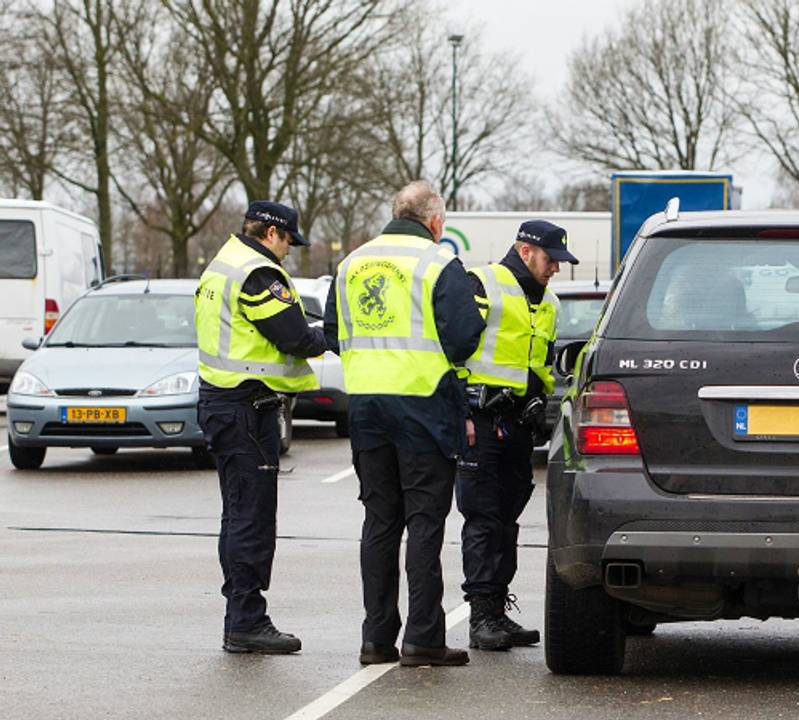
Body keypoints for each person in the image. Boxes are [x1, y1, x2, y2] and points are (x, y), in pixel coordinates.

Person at [324, 181, 484, 667]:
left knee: (379, 522)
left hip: (368, 408)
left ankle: (376, 639)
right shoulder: (437, 263)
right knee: (425, 525)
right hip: (423, 408)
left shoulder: (351, 263)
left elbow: (332, 332)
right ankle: (423, 638)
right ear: (435, 222)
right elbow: (465, 335)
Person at [195, 201, 327, 654]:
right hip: (246, 409)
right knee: (251, 519)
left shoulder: (222, 263)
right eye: (289, 240)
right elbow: (296, 337)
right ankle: (246, 621)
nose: (289, 250)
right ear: (273, 234)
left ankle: (241, 616)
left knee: (236, 515)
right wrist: (338, 332)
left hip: (223, 404)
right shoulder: (257, 273)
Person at [458, 219, 576, 651]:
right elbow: (453, 347)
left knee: (507, 519)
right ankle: (481, 615)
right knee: (483, 517)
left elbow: (541, 365)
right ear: (526, 251)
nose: (556, 269)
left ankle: (497, 610)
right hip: (482, 419)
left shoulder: (548, 302)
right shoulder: (483, 284)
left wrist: (543, 408)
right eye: (551, 260)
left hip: (519, 424)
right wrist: (461, 409)